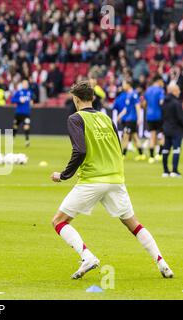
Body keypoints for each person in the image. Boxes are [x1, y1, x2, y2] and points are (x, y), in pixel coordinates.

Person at [51, 80, 173, 279]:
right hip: (116, 179)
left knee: (59, 221)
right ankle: (162, 263)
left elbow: (80, 150)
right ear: (92, 98)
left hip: (92, 180)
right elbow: (118, 147)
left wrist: (63, 175)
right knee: (133, 224)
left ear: (75, 99)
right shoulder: (107, 119)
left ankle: (87, 256)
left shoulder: (75, 118)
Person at [117, 80, 146, 160]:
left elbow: (138, 106)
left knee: (126, 136)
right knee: (135, 137)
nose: (123, 86)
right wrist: (120, 115)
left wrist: (139, 118)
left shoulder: (134, 94)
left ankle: (123, 155)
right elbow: (126, 108)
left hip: (131, 119)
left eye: (124, 84)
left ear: (128, 85)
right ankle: (141, 154)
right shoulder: (128, 95)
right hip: (128, 119)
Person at [161, 83, 183, 178]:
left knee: (165, 150)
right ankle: (174, 170)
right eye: (178, 90)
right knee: (176, 150)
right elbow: (181, 118)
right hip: (176, 130)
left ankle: (165, 171)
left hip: (166, 129)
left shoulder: (164, 102)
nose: (179, 92)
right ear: (174, 91)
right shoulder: (176, 103)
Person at [143, 76, 165, 163]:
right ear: (158, 81)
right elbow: (161, 102)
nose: (162, 84)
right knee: (162, 135)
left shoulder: (148, 90)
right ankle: (159, 154)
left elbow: (144, 104)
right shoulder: (160, 90)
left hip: (149, 116)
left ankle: (151, 157)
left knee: (152, 135)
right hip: (159, 116)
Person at [11, 79, 34, 147]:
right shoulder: (19, 92)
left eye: (26, 84)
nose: (25, 85)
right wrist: (19, 100)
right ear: (22, 85)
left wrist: (31, 102)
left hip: (26, 113)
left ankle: (27, 141)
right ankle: (12, 139)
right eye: (24, 84)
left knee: (26, 126)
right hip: (19, 112)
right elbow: (12, 100)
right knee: (15, 126)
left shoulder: (30, 92)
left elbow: (32, 100)